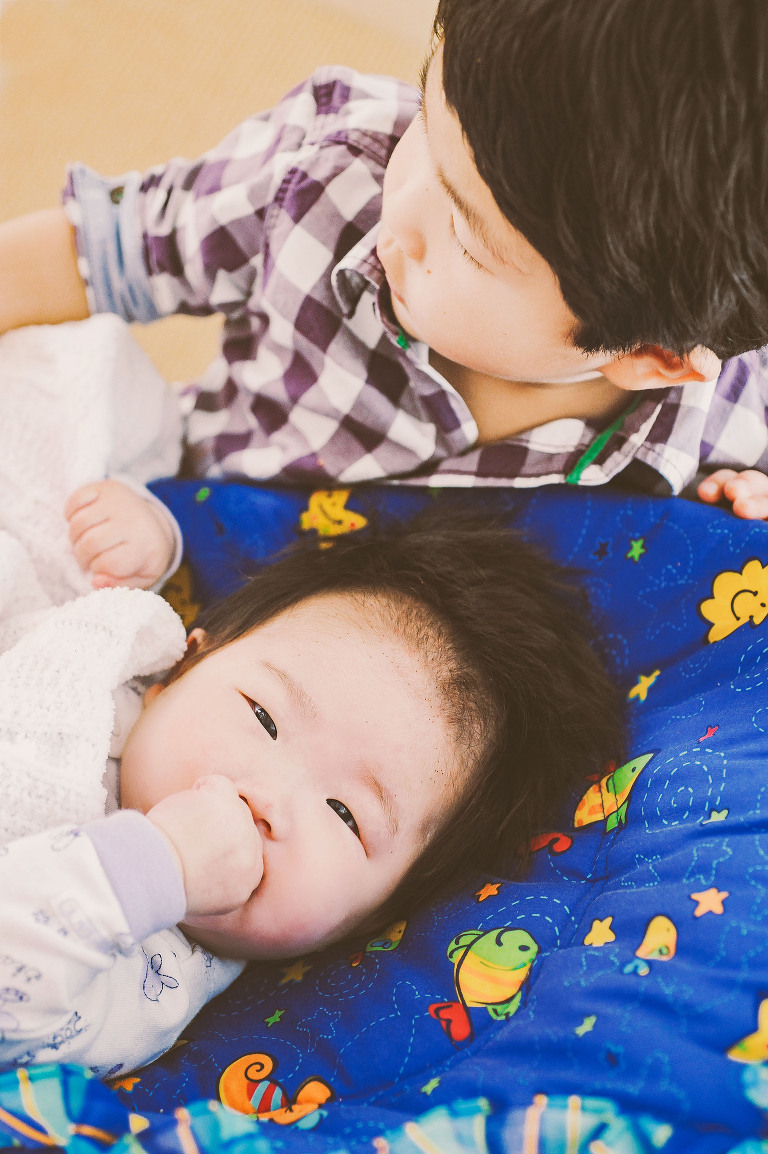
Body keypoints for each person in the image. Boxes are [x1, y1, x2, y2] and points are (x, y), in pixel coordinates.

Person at [2, 1, 768, 517]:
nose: (397, 216)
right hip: (163, 509)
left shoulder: (727, 420)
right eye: (427, 130)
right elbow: (100, 249)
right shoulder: (329, 168)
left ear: (654, 357)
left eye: (468, 239)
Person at [0, 501, 626, 1078]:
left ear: (375, 917)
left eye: (345, 814)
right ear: (183, 664)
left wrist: (150, 868)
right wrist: (149, 540)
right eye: (263, 718)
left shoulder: (152, 980)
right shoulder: (100, 652)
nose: (266, 799)